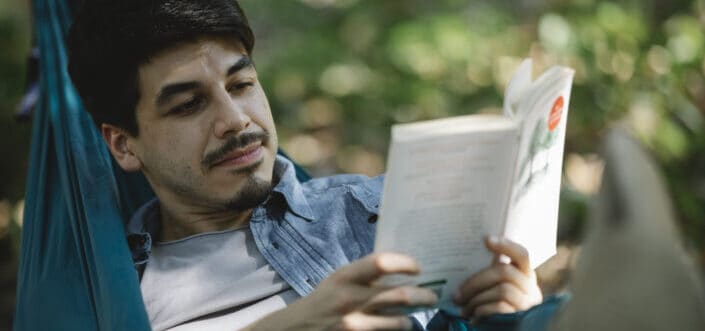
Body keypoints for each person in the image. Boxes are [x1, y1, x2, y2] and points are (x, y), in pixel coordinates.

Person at [66, 1, 545, 330]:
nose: (235, 121)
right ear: (125, 145)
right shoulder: (108, 296)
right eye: (190, 104)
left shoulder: (380, 212)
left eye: (241, 85)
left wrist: (519, 315)